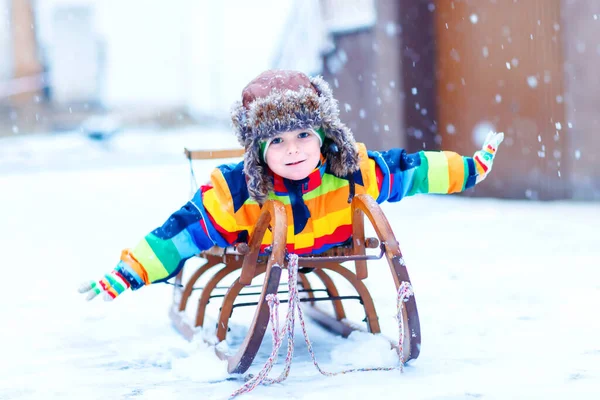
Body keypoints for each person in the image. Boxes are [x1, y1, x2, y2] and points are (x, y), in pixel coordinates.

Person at [78, 70, 504, 301]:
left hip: (332, 246)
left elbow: (410, 170)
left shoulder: (350, 169)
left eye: (304, 135)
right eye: (277, 141)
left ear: (323, 137)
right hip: (266, 249)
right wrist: (128, 272)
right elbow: (182, 232)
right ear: (258, 151)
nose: (294, 150)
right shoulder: (238, 190)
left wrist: (469, 169)